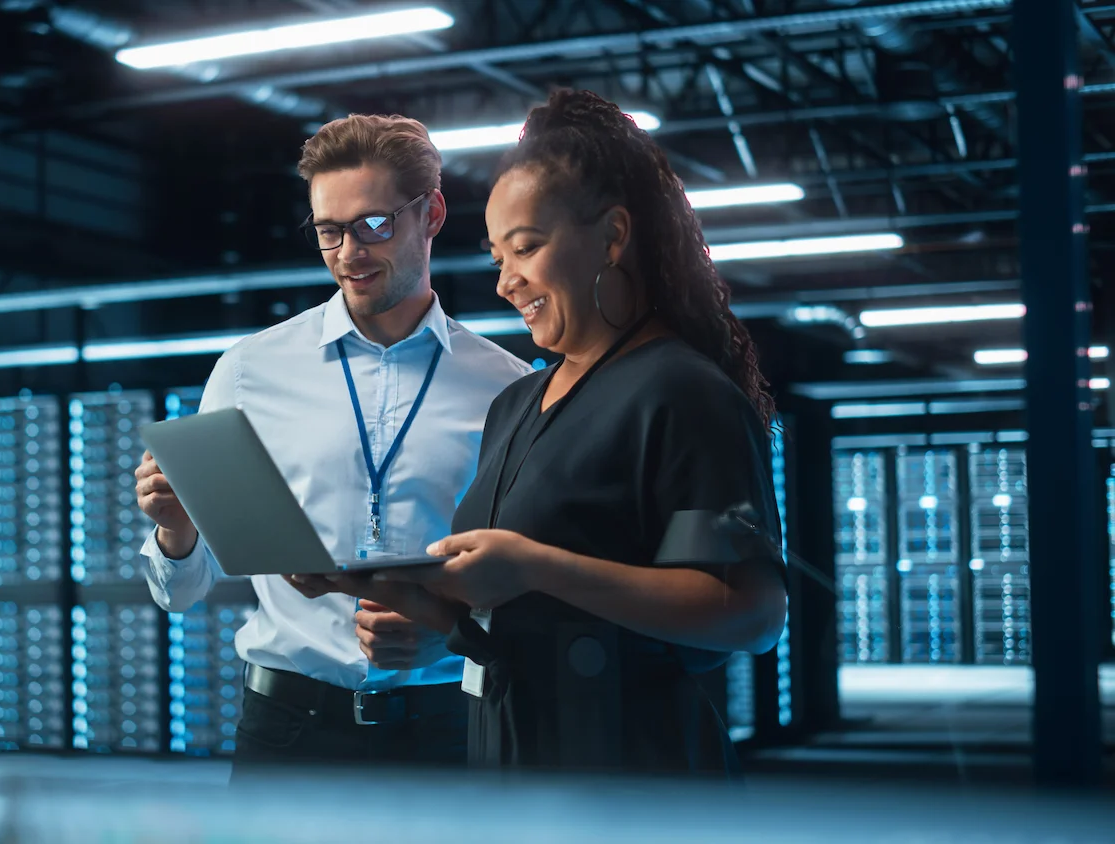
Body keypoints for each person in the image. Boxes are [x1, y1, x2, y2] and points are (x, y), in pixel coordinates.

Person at [306, 89, 789, 776]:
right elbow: (521, 620)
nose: (506, 282)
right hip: (513, 769)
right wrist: (430, 614)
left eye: (526, 248)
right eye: (499, 255)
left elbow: (749, 614)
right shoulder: (517, 402)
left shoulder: (681, 393)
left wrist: (535, 564)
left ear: (613, 236)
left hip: (633, 781)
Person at [133, 114, 532, 777]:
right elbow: (180, 592)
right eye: (328, 231)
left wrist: (446, 630)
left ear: (430, 214)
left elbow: (527, 587)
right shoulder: (249, 371)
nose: (349, 252)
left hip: (448, 734)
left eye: (374, 225)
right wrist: (177, 533)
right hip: (286, 733)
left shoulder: (508, 388)